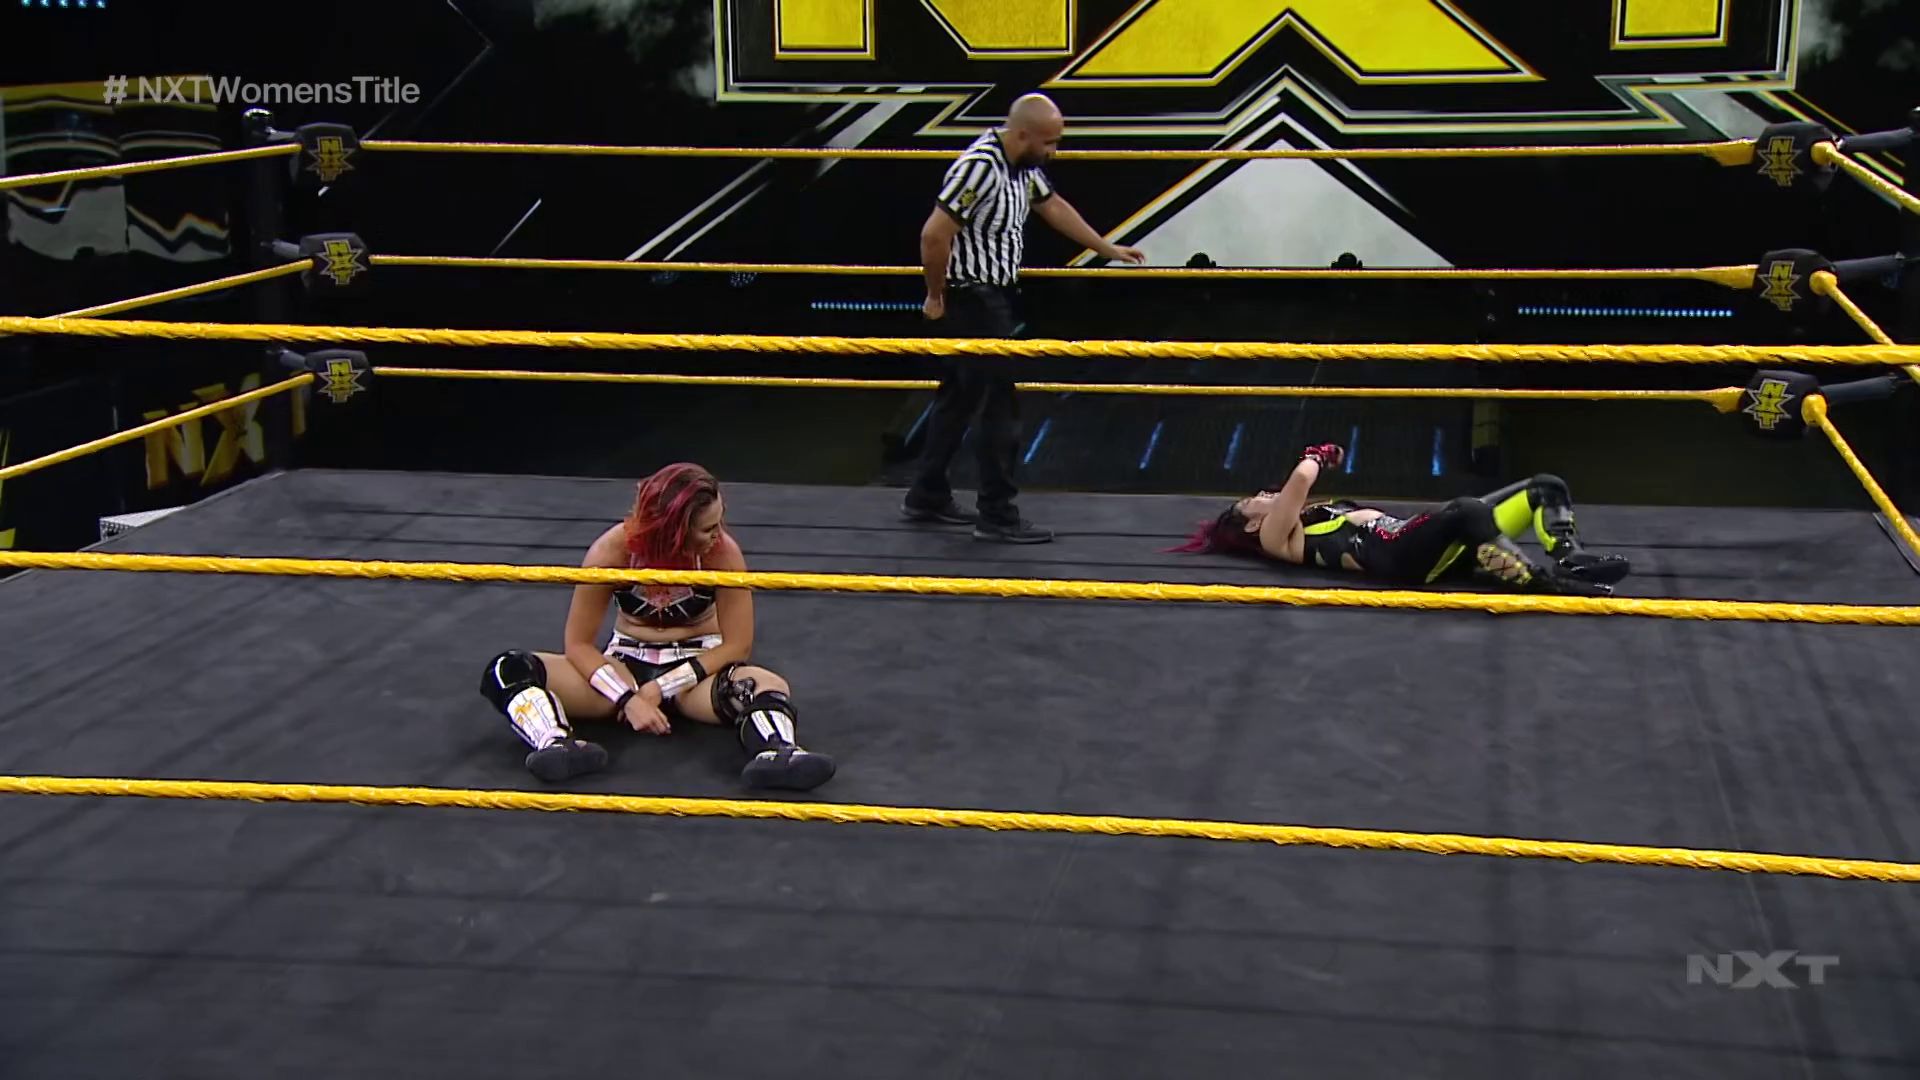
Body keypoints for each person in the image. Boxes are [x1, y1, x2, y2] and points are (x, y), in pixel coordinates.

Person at [478, 463, 836, 790]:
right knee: (508, 669)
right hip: (624, 664)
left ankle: (780, 752)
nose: (718, 535)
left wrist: (662, 688)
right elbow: (578, 644)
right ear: (675, 531)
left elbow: (737, 646)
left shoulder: (722, 554)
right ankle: (554, 744)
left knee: (767, 685)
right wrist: (627, 697)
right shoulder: (612, 551)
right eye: (708, 528)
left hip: (697, 672)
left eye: (719, 523)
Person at [903, 91, 1147, 544]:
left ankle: (927, 494)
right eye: (1048, 142)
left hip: (990, 295)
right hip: (972, 299)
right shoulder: (980, 167)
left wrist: (1106, 248)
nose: (1053, 151)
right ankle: (997, 514)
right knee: (1000, 407)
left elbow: (1052, 205)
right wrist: (935, 295)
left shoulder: (1021, 165)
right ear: (1021, 134)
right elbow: (934, 235)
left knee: (958, 397)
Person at [1171, 444, 1631, 595]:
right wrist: (1318, 454)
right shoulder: (1276, 538)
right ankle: (1547, 585)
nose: (1264, 495)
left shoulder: (1304, 516)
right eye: (1254, 501)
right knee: (1468, 509)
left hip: (1420, 541)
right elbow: (1300, 480)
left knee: (1544, 486)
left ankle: (1570, 557)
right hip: (1395, 557)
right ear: (1251, 525)